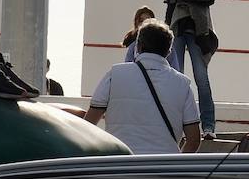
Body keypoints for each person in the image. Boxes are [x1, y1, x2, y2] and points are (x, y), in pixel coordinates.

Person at [85, 19, 201, 154]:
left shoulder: (115, 74)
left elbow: (88, 125)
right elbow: (194, 140)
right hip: (163, 168)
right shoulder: (183, 84)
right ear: (169, 51)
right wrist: (174, 166)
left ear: (138, 46)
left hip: (119, 165)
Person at [159, 0, 218, 139]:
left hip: (198, 31)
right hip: (175, 30)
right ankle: (178, 125)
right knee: (177, 77)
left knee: (202, 78)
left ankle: (209, 126)